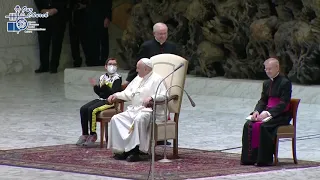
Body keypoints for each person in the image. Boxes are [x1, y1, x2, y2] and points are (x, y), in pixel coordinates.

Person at [107, 58, 167, 162]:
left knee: (139, 119)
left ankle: (137, 151)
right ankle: (122, 150)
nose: (137, 70)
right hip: (134, 110)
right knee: (116, 118)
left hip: (149, 111)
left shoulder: (157, 79)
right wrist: (115, 95)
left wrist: (152, 98)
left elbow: (165, 95)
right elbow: (127, 93)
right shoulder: (138, 78)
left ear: (146, 69)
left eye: (138, 68)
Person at [240, 58, 292, 166]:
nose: (267, 71)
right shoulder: (266, 83)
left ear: (277, 68)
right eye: (266, 69)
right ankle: (250, 158)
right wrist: (256, 112)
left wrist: (268, 113)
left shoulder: (285, 82)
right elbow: (263, 100)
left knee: (264, 126)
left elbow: (284, 103)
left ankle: (264, 160)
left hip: (280, 114)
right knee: (248, 125)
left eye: (270, 69)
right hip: (267, 112)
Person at [76, 58, 122, 147]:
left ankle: (93, 134)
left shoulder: (117, 78)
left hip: (110, 101)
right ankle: (85, 134)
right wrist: (95, 87)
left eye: (114, 64)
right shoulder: (102, 77)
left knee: (92, 110)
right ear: (105, 66)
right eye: (110, 64)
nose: (112, 66)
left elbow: (113, 92)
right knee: (83, 109)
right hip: (101, 99)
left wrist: (105, 88)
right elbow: (100, 93)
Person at [34, 0, 68, 73]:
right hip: (44, 19)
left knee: (57, 43)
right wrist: (42, 9)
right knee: (43, 43)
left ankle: (54, 66)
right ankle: (44, 66)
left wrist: (56, 9)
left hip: (59, 18)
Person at [85, 0, 112, 66]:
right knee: (93, 39)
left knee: (103, 39)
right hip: (91, 15)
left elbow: (108, 3)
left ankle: (103, 60)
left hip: (102, 16)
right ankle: (94, 60)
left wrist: (108, 17)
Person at [68, 0, 90, 67]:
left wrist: (85, 6)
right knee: (74, 41)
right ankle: (77, 60)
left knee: (85, 41)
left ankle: (89, 60)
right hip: (72, 17)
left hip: (84, 17)